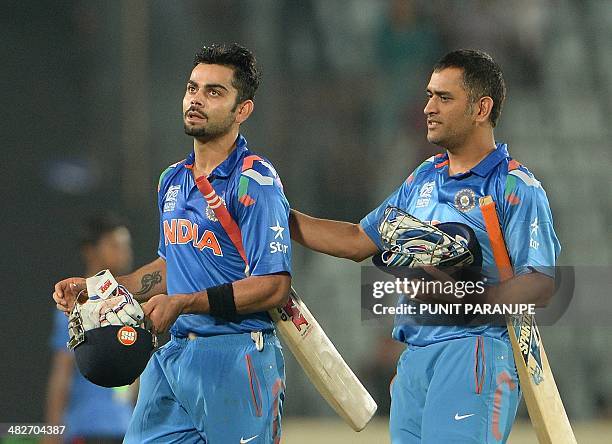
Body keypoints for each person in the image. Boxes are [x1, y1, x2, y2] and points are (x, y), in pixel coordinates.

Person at [290, 49, 560, 443]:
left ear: (481, 108)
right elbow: (356, 240)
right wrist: (278, 217)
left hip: (474, 353)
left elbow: (540, 285)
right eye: (429, 95)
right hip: (414, 357)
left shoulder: (515, 186)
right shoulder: (424, 177)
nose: (428, 107)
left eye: (443, 98)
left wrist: (460, 293)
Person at [53, 43, 291, 444]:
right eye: (192, 87)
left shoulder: (255, 182)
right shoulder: (172, 180)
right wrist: (96, 287)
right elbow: (169, 268)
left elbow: (273, 285)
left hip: (236, 357)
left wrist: (183, 302)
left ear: (242, 110)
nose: (197, 99)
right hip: (175, 354)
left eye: (214, 92)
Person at [44, 214, 135, 444]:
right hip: (86, 428)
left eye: (126, 245)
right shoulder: (73, 306)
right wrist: (52, 432)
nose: (124, 252)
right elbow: (62, 373)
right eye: (115, 245)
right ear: (90, 251)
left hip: (126, 428)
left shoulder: (131, 305)